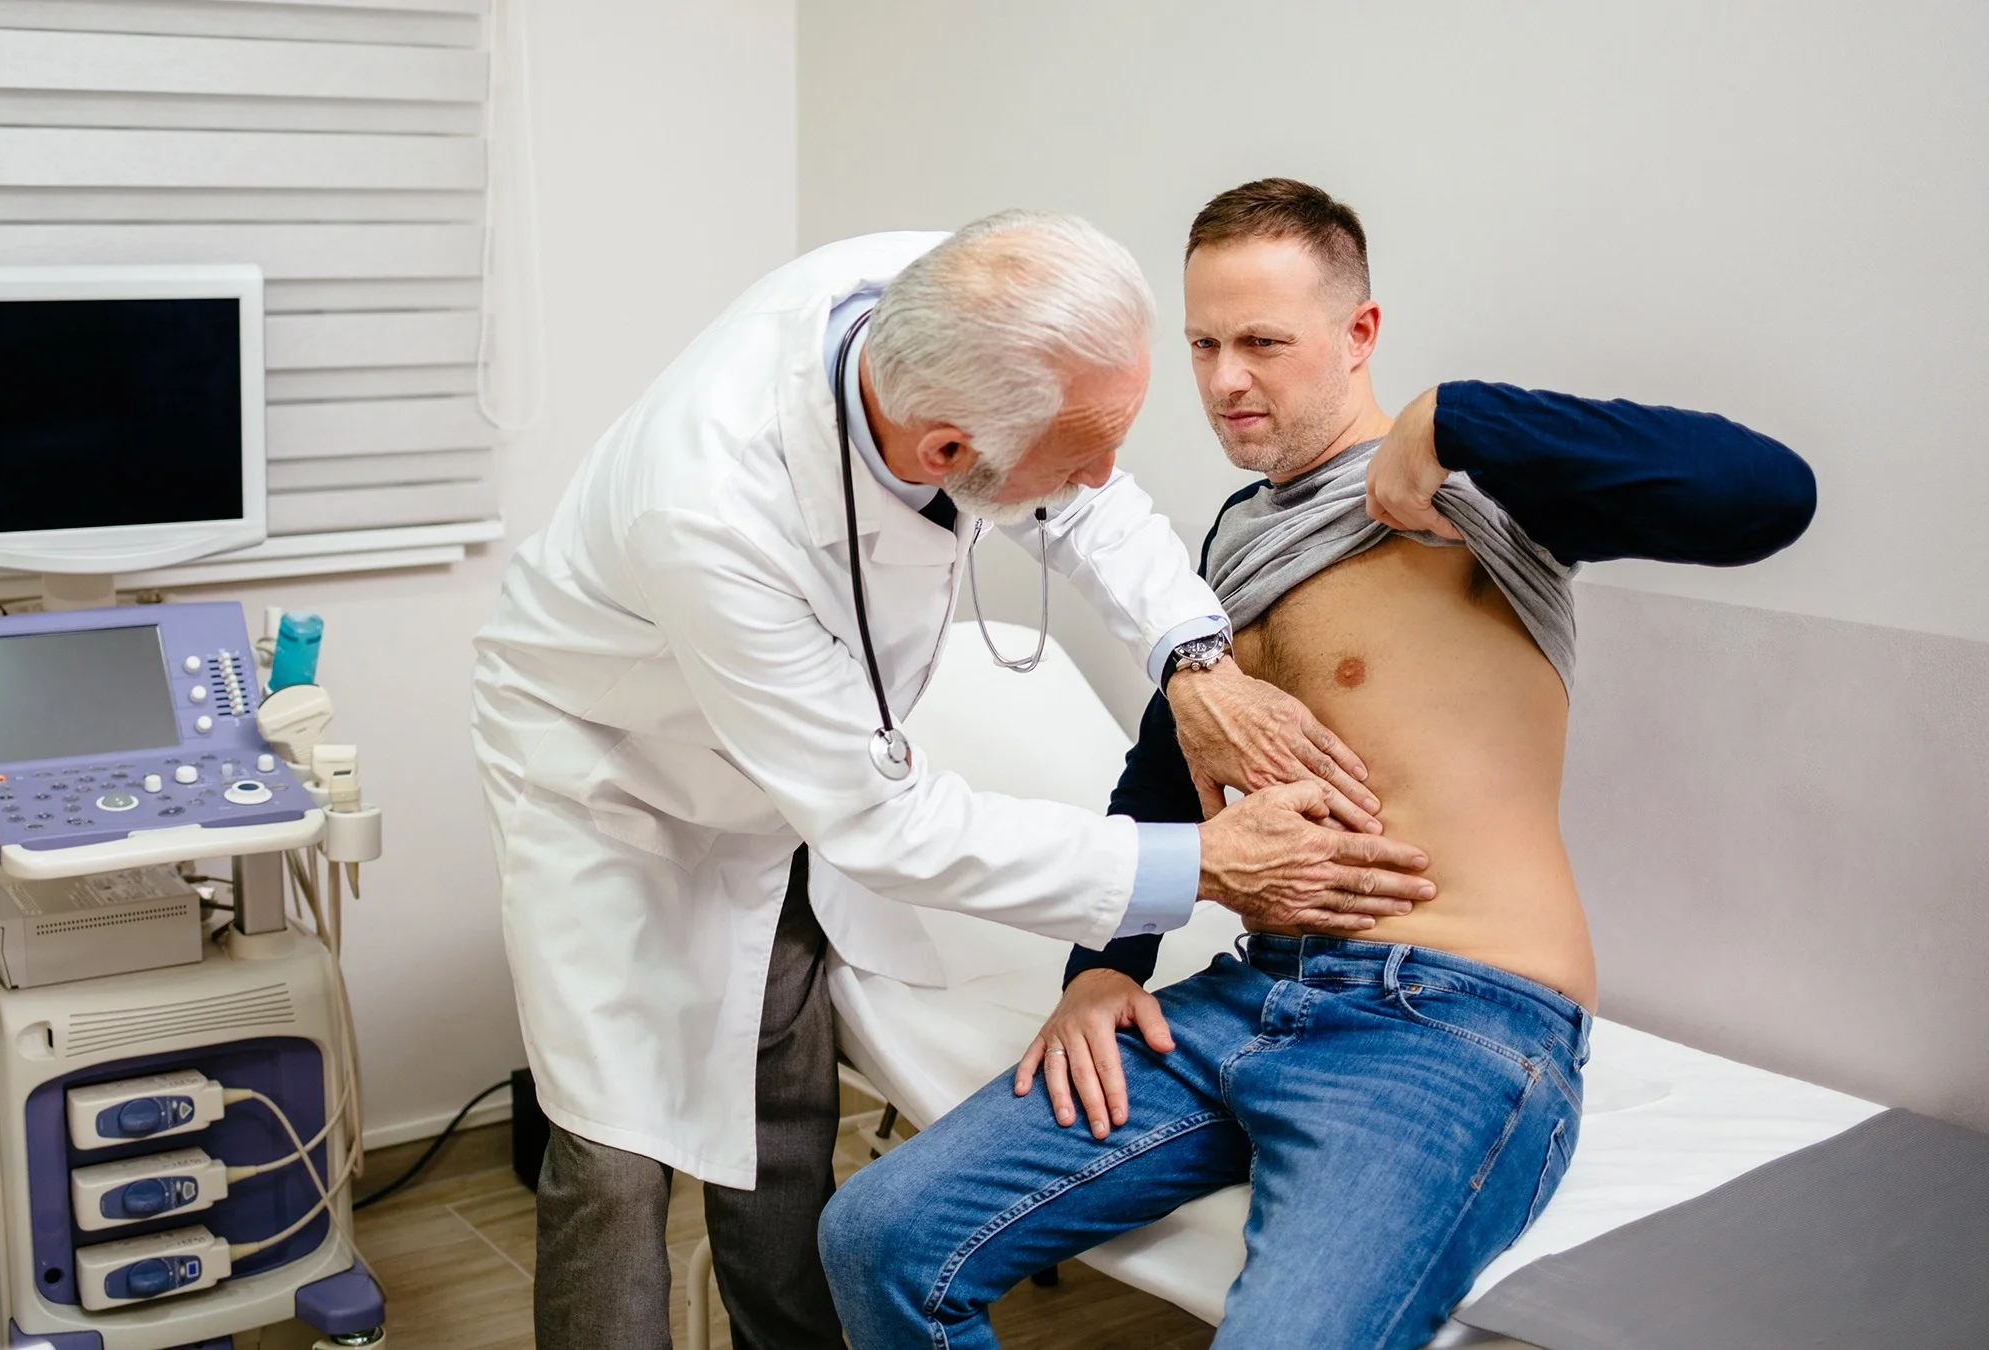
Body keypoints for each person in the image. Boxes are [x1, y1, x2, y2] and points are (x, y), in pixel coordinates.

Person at [818, 178, 1816, 1349]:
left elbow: (1771, 497)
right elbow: (1165, 769)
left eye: (1263, 343)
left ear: (1359, 336)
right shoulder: (1235, 536)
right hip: (1245, 999)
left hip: (1449, 1023)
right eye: (1202, 343)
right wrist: (1103, 967)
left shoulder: (1482, 493)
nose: (1225, 380)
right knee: (879, 1237)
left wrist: (1456, 422)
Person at [471, 210, 1447, 1348]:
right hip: (611, 766)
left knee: (780, 1098)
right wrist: (1207, 866)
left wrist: (1191, 657)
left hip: (790, 768)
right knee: (613, 1150)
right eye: (1082, 458)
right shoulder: (709, 508)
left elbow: (1090, 504)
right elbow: (885, 823)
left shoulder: (951, 294)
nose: (1105, 476)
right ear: (947, 456)